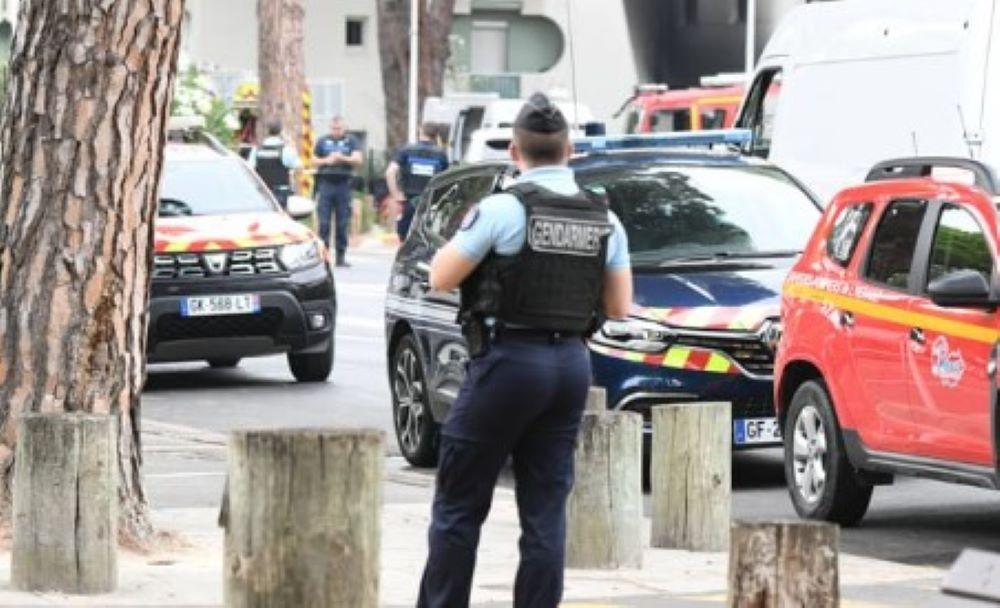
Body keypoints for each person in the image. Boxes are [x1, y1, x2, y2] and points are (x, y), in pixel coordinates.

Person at [418, 93, 633, 608]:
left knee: (458, 506)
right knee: (545, 510)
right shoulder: (605, 218)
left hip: (508, 362)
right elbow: (620, 306)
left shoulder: (501, 208)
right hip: (569, 368)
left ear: (515, 151)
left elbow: (440, 277)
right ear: (571, 150)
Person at [386, 123, 450, 241]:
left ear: (420, 132)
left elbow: (390, 172)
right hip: (432, 204)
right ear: (436, 136)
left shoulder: (405, 150)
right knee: (428, 240)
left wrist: (396, 195)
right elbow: (447, 178)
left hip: (409, 202)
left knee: (405, 239)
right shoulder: (441, 154)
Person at [314, 116, 363, 267]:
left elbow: (358, 160)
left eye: (339, 128)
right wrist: (326, 160)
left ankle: (341, 256)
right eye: (333, 128)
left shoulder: (351, 141)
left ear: (344, 128)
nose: (336, 131)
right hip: (326, 183)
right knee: (323, 223)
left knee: (342, 222)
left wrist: (342, 158)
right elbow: (313, 160)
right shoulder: (323, 141)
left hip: (343, 184)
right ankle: (324, 256)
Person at [248, 121, 301, 208]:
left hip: (262, 191)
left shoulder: (257, 150)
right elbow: (298, 166)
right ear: (281, 132)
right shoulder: (285, 151)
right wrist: (291, 145)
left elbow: (250, 169)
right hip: (280, 193)